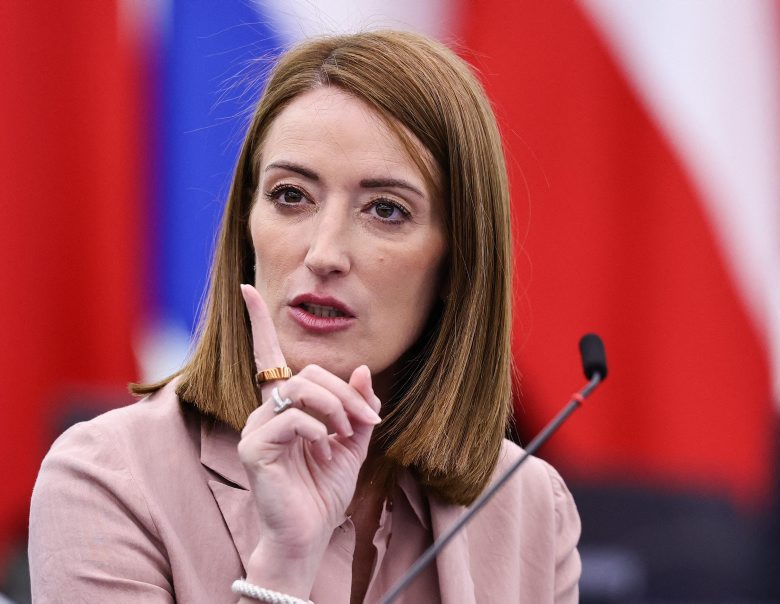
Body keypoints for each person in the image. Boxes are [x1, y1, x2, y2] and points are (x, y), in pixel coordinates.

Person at [29, 29, 581, 603]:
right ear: (247, 225)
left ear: (457, 263)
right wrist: (284, 563)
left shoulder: (532, 508)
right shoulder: (108, 477)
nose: (323, 253)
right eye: (291, 196)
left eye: (386, 210)